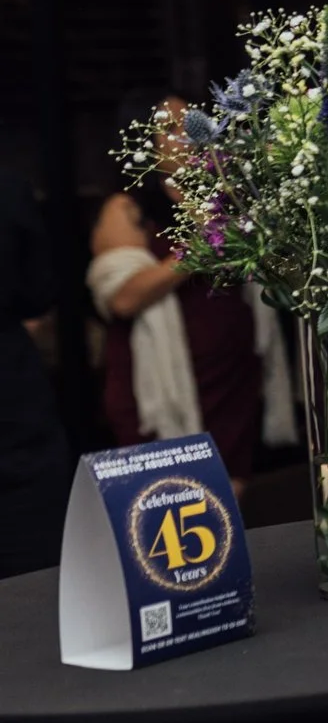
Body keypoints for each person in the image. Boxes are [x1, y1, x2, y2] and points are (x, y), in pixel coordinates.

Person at [88, 93, 292, 477]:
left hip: (232, 376)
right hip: (167, 381)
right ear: (142, 141)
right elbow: (124, 298)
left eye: (191, 122)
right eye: (169, 128)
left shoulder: (225, 191)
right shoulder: (127, 207)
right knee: (172, 497)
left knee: (232, 494)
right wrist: (204, 244)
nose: (184, 135)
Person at [0, 168, 71, 579]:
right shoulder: (9, 188)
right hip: (15, 411)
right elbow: (38, 294)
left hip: (17, 424)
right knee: (35, 586)